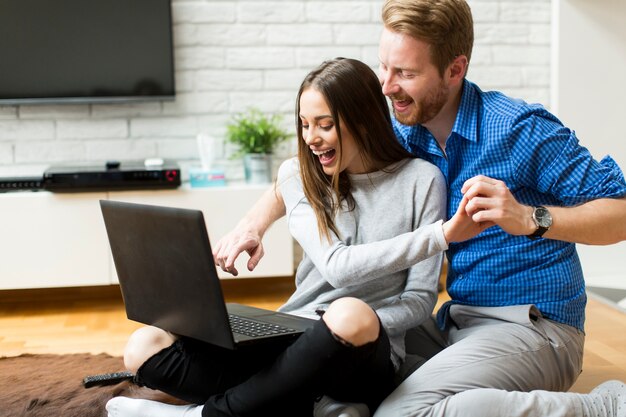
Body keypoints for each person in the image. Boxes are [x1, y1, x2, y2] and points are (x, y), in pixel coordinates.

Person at [212, 1, 626, 417]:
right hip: (453, 320)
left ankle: (603, 407)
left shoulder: (519, 130)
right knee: (328, 364)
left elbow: (621, 212)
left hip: (534, 326)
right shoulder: (404, 128)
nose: (387, 87)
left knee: (402, 413)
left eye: (406, 74)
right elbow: (303, 175)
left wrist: (531, 218)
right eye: (384, 68)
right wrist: (253, 225)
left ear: (454, 70)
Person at [105, 57, 484, 417]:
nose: (312, 139)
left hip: (365, 355)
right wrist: (440, 235)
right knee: (144, 346)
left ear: (363, 120)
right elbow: (339, 267)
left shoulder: (422, 180)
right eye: (304, 124)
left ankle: (210, 412)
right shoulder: (299, 176)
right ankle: (307, 402)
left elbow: (419, 301)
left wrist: (347, 328)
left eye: (324, 124)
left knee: (349, 313)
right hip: (290, 336)